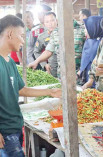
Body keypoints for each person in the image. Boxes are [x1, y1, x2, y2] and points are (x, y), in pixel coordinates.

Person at [0, 15, 61, 157]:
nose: (23, 41)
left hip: (14, 126)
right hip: (5, 131)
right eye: (21, 36)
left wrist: (50, 92)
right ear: (10, 34)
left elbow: (21, 89)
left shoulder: (10, 62)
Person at [78, 16, 103, 85]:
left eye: (86, 29)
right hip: (88, 77)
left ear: (93, 28)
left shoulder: (101, 43)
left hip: (96, 81)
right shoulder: (89, 40)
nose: (84, 31)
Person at [33, 12, 58, 77]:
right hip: (52, 70)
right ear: (44, 24)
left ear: (57, 21)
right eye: (47, 22)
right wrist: (44, 64)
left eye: (52, 20)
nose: (50, 24)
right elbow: (36, 51)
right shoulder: (42, 37)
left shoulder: (64, 33)